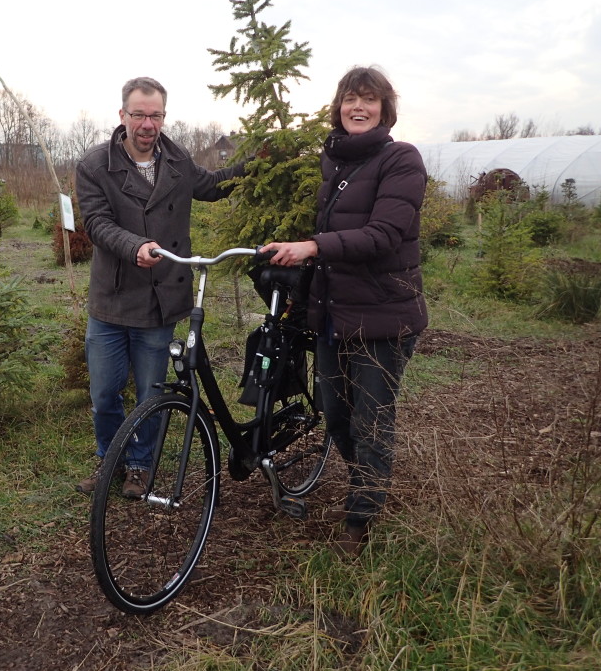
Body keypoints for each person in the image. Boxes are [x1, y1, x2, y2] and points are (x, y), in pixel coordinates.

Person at [263, 65, 427, 556]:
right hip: (337, 317)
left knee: (371, 420)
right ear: (339, 107)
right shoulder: (332, 163)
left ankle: (362, 517)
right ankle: (368, 482)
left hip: (383, 318)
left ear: (384, 109)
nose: (358, 107)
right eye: (350, 99)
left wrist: (311, 246)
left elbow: (383, 236)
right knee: (335, 414)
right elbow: (334, 243)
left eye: (369, 100)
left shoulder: (402, 160)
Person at [74, 76, 246, 498]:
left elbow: (212, 184)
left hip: (160, 300)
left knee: (151, 394)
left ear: (164, 117)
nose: (148, 124)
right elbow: (96, 222)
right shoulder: (96, 165)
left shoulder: (177, 159)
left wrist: (258, 164)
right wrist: (135, 246)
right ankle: (108, 459)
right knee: (105, 391)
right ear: (122, 116)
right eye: (139, 115)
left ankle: (139, 464)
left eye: (155, 115)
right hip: (112, 300)